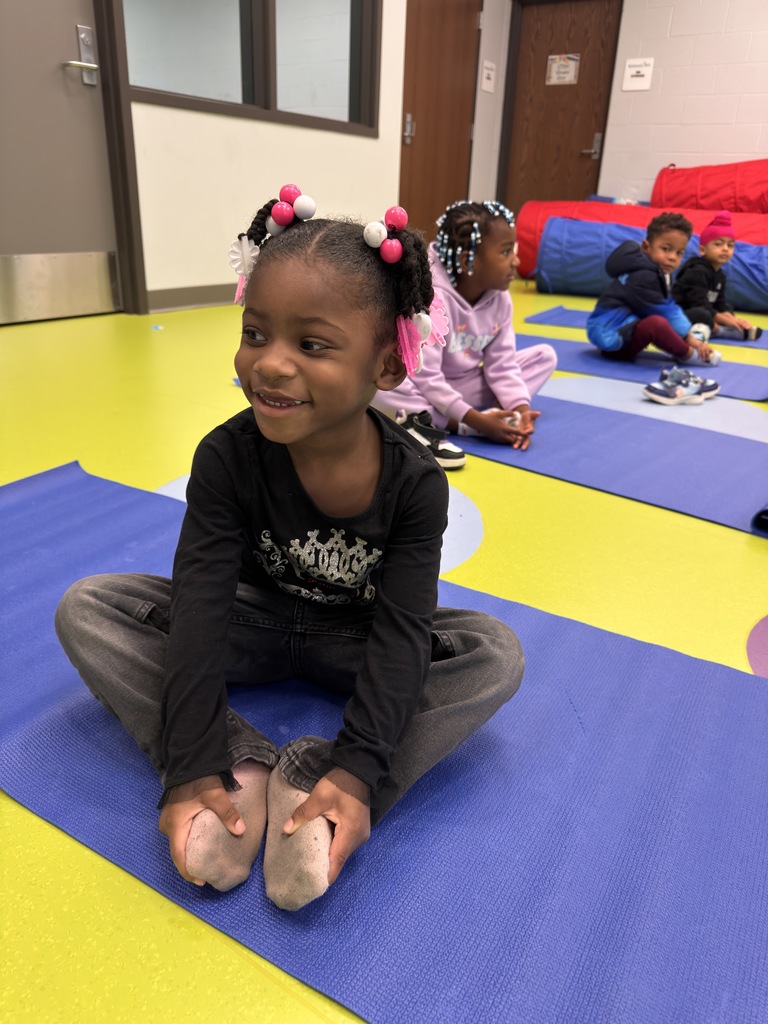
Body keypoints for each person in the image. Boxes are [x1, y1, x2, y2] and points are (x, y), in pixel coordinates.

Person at [54, 186, 524, 912]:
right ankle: (237, 765)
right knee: (89, 606)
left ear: (388, 367)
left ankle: (326, 783)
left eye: (311, 345)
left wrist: (363, 765)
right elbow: (203, 606)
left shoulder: (415, 485)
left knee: (492, 652)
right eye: (254, 333)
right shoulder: (226, 455)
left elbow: (402, 633)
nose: (269, 365)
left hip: (356, 641)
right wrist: (192, 759)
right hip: (250, 621)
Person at [372, 200, 557, 454]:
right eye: (505, 252)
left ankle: (442, 417)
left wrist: (520, 410)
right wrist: (477, 423)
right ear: (467, 260)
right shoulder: (432, 294)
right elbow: (425, 376)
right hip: (421, 382)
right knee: (380, 387)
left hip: (463, 385)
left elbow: (502, 364)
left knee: (544, 357)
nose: (516, 261)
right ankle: (455, 423)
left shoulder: (500, 296)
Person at [586, 212, 722, 366]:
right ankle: (687, 354)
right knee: (657, 324)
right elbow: (663, 310)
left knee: (671, 318)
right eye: (666, 249)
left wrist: (686, 334)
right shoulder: (643, 276)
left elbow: (667, 303)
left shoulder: (656, 271)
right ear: (646, 247)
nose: (672, 257)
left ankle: (688, 342)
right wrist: (688, 338)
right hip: (612, 336)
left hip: (619, 329)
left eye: (679, 253)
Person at [672, 210, 762, 342]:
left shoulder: (720, 275)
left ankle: (724, 328)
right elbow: (697, 303)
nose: (725, 249)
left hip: (706, 314)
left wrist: (733, 319)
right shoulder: (696, 271)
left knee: (727, 309)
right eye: (718, 244)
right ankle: (722, 331)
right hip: (683, 313)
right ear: (702, 250)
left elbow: (720, 303)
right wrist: (724, 320)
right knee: (700, 314)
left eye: (730, 245)